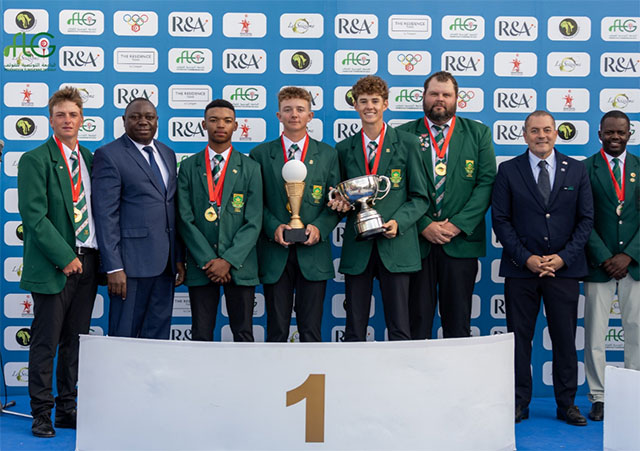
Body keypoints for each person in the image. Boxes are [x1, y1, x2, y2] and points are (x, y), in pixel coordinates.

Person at [492, 110, 594, 426]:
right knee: (519, 340)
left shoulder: (576, 170)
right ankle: (518, 402)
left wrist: (563, 258)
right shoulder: (508, 170)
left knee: (565, 339)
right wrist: (527, 258)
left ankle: (567, 404)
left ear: (555, 133)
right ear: (524, 135)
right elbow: (501, 220)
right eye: (534, 130)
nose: (541, 136)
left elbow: (586, 220)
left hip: (564, 271)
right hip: (521, 270)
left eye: (547, 130)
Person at [18, 87, 99, 437]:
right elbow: (34, 217)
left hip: (89, 263)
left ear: (82, 120)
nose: (67, 120)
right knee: (45, 342)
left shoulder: (90, 160)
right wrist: (66, 257)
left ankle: (67, 408)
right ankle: (41, 413)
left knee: (75, 342)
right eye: (61, 115)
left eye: (73, 115)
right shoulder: (35, 160)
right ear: (50, 120)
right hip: (56, 266)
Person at [396, 71, 496, 340]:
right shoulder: (403, 135)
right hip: (416, 243)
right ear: (423, 97)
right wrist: (423, 224)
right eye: (434, 94)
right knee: (416, 322)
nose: (439, 99)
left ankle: (457, 371)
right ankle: (415, 371)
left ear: (456, 99)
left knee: (458, 323)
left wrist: (456, 225)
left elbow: (486, 183)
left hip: (460, 242)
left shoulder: (478, 133)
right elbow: (396, 188)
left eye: (446, 94)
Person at [330, 75, 429, 341]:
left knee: (400, 327)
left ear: (385, 104)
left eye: (375, 101)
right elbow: (339, 197)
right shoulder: (344, 148)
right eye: (363, 101)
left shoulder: (408, 143)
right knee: (354, 328)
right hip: (358, 247)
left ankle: (400, 370)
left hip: (396, 245)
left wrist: (399, 222)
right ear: (355, 105)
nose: (369, 107)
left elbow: (420, 197)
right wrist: (339, 203)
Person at [250, 87, 340, 342]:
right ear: (278, 115)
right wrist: (273, 227)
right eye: (288, 109)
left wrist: (319, 227)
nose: (294, 115)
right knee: (276, 330)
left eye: (300, 109)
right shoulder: (260, 154)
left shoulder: (328, 154)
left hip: (313, 254)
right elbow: (255, 204)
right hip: (275, 253)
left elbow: (336, 202)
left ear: (310, 116)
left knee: (311, 331)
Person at [92, 98, 184, 339]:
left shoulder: (167, 153)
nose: (143, 121)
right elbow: (105, 215)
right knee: (125, 335)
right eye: (135, 117)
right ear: (124, 121)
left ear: (157, 121)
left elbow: (170, 207)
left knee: (158, 338)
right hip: (130, 267)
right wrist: (114, 267)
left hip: (165, 266)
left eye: (149, 117)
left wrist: (177, 257)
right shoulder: (109, 155)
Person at [177, 100, 262, 342]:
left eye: (227, 120)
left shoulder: (251, 167)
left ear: (236, 125)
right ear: (204, 125)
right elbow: (184, 219)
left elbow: (254, 221)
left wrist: (228, 260)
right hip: (201, 265)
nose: (220, 125)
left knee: (243, 333)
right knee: (201, 334)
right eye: (213, 120)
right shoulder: (188, 166)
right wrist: (209, 261)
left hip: (239, 265)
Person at [583, 110, 639, 422]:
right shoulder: (585, 169)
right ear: (600, 134)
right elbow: (583, 218)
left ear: (630, 134)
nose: (615, 137)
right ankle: (599, 396)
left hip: (635, 265)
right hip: (599, 265)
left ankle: (633, 393)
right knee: (595, 334)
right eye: (609, 132)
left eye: (621, 132)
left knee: (636, 331)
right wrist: (605, 256)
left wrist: (629, 255)